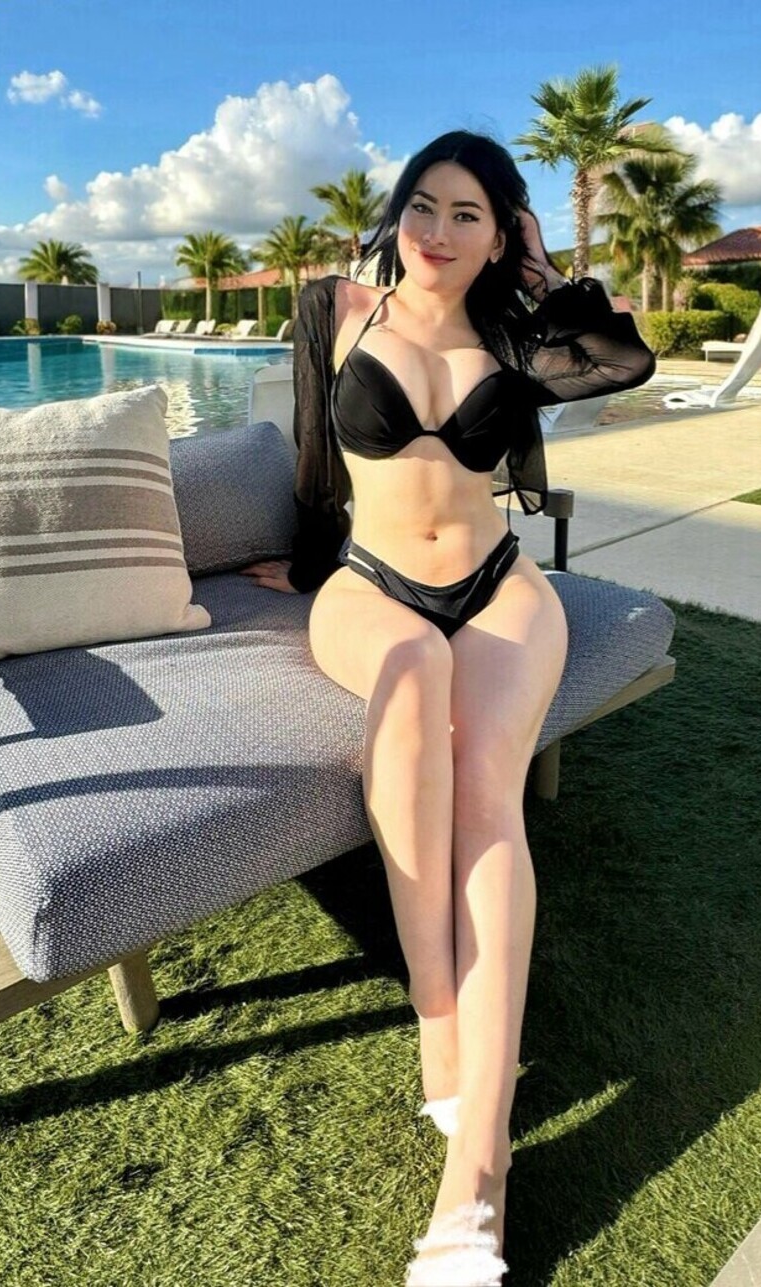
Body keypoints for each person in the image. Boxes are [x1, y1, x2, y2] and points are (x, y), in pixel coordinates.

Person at [241, 129, 655, 1286]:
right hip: (369, 584)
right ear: (398, 212)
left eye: (467, 213)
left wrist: (546, 271)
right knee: (414, 671)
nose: (435, 230)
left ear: (499, 231)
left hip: (499, 586)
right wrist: (302, 564)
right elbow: (317, 455)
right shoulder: (336, 308)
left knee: (487, 794)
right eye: (422, 205)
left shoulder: (516, 334)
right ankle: (438, 1016)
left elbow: (621, 364)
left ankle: (478, 1169)